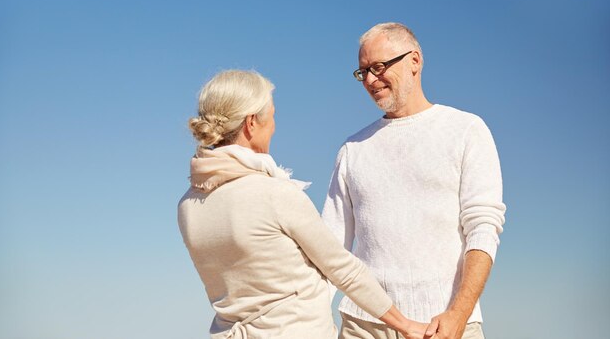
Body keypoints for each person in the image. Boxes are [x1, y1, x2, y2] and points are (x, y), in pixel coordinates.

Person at [178, 70, 428, 339]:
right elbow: (344, 270)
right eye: (271, 117)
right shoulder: (274, 194)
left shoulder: (188, 207)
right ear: (251, 123)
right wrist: (406, 325)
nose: (274, 126)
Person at [321, 23, 506, 339]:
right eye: (362, 71)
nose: (369, 80)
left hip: (447, 325)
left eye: (378, 67)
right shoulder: (353, 149)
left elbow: (483, 228)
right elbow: (330, 246)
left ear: (415, 61)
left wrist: (458, 315)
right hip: (362, 327)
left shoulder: (466, 130)